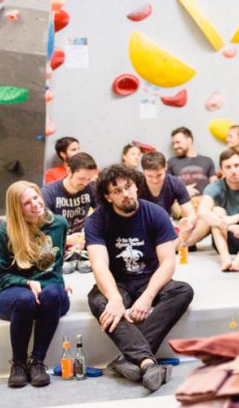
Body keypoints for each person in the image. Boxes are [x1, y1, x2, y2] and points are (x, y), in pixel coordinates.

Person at [85, 164, 194, 392]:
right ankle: (146, 362)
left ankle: (126, 359)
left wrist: (147, 297)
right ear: (107, 196)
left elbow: (168, 263)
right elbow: (99, 265)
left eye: (129, 187)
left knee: (183, 291)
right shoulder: (97, 221)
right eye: (117, 191)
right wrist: (114, 298)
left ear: (136, 186)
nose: (126, 194)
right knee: (98, 301)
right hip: (119, 282)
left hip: (149, 279)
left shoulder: (156, 214)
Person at [0, 181, 70, 388]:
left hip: (51, 293)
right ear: (17, 208)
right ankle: (18, 363)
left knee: (52, 293)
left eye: (36, 197)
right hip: (16, 292)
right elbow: (0, 276)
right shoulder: (3, 232)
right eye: (27, 202)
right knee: (25, 299)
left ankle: (37, 362)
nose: (35, 204)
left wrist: (61, 283)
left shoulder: (59, 223)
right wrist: (26, 282)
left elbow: (57, 263)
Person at [198, 149, 239, 271]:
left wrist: (236, 218)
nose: (233, 171)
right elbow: (202, 212)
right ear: (222, 170)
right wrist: (229, 226)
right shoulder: (215, 187)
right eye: (228, 167)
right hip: (225, 237)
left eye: (236, 165)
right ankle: (225, 259)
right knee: (217, 211)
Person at [41, 152, 98, 274]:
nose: (85, 183)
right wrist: (65, 239)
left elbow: (102, 215)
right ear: (69, 171)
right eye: (81, 178)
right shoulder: (49, 192)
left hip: (82, 242)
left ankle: (77, 254)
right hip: (57, 241)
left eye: (89, 179)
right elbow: (42, 227)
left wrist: (88, 237)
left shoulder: (91, 188)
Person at [139, 151, 196, 248]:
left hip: (166, 225)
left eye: (159, 175)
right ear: (143, 171)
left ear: (165, 167)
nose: (155, 180)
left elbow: (191, 214)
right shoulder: (136, 184)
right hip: (143, 225)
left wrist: (186, 224)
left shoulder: (175, 183)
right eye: (149, 176)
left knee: (201, 223)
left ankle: (173, 246)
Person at [167, 126, 215, 196]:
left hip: (204, 201)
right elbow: (167, 186)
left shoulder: (207, 160)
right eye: (173, 144)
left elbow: (214, 185)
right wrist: (183, 190)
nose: (175, 146)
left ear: (189, 140)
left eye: (178, 142)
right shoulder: (171, 162)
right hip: (182, 201)